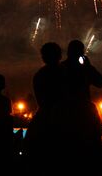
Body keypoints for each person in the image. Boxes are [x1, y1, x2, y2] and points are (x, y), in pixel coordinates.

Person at [59, 39, 102, 174]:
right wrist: (88, 67)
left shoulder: (61, 68)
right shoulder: (84, 69)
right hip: (84, 113)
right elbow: (101, 82)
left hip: (66, 114)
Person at [24, 42, 65, 176]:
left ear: (43, 57)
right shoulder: (66, 73)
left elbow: (41, 100)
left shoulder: (40, 75)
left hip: (45, 118)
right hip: (63, 119)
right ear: (59, 55)